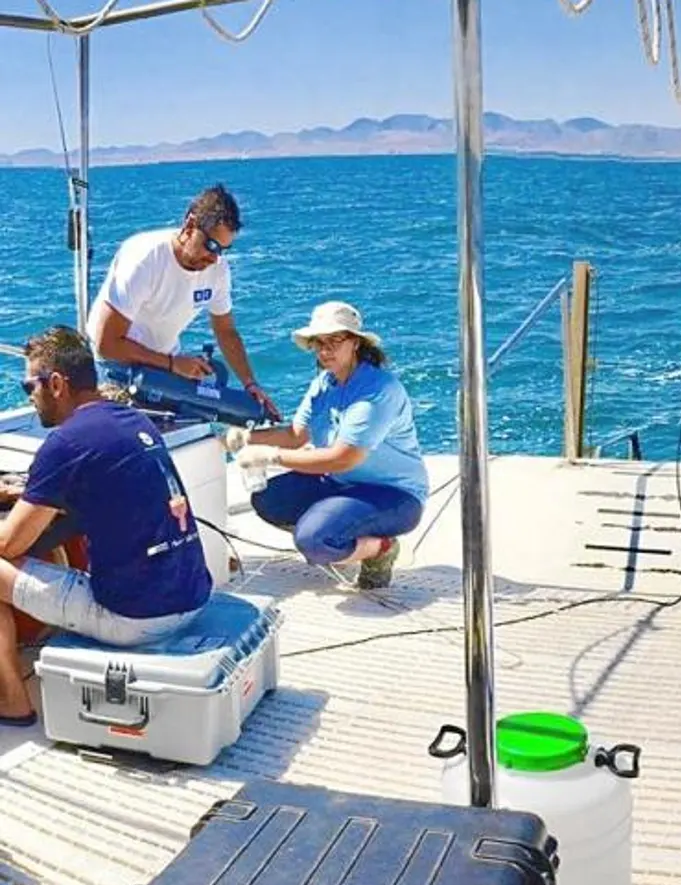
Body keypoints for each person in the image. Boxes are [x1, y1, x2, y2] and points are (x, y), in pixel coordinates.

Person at [0, 327, 214, 723]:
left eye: (29, 385)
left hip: (137, 620)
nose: (28, 397)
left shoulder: (65, 443)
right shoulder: (133, 420)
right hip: (193, 596)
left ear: (57, 383)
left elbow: (9, 546)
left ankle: (11, 701)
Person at [230, 302, 427, 590]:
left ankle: (380, 549)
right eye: (319, 343)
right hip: (339, 484)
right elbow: (297, 436)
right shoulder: (325, 383)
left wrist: (271, 456)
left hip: (394, 494)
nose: (325, 350)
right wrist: (244, 438)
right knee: (268, 499)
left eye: (335, 340)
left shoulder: (377, 390)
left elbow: (343, 459)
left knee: (314, 540)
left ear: (356, 343)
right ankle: (341, 533)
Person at [85, 183, 281, 420]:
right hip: (116, 368)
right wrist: (172, 363)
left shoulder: (218, 270)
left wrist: (251, 384)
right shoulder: (145, 258)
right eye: (211, 246)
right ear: (189, 225)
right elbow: (107, 344)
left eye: (223, 250)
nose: (214, 257)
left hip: (165, 368)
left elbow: (226, 332)